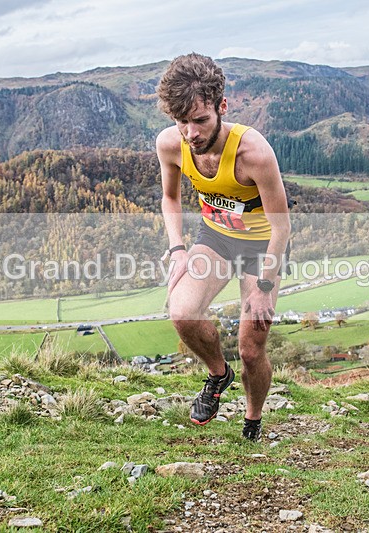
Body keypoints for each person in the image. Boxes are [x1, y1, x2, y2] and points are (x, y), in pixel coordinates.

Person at [155, 53, 291, 441]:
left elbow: (282, 227)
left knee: (251, 348)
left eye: (200, 120)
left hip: (261, 243)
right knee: (181, 313)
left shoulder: (254, 152)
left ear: (222, 107)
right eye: (182, 122)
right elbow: (170, 200)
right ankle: (218, 374)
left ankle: (252, 419)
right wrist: (178, 248)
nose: (191, 133)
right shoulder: (171, 144)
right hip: (215, 237)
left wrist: (264, 288)